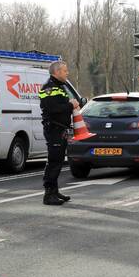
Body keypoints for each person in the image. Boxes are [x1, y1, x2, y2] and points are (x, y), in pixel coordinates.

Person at [38, 61, 81, 205]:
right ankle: (48, 194)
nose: (67, 73)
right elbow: (53, 108)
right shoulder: (49, 87)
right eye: (64, 70)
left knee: (58, 161)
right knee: (54, 162)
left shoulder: (59, 86)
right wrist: (71, 105)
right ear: (56, 72)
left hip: (60, 129)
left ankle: (55, 191)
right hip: (54, 129)